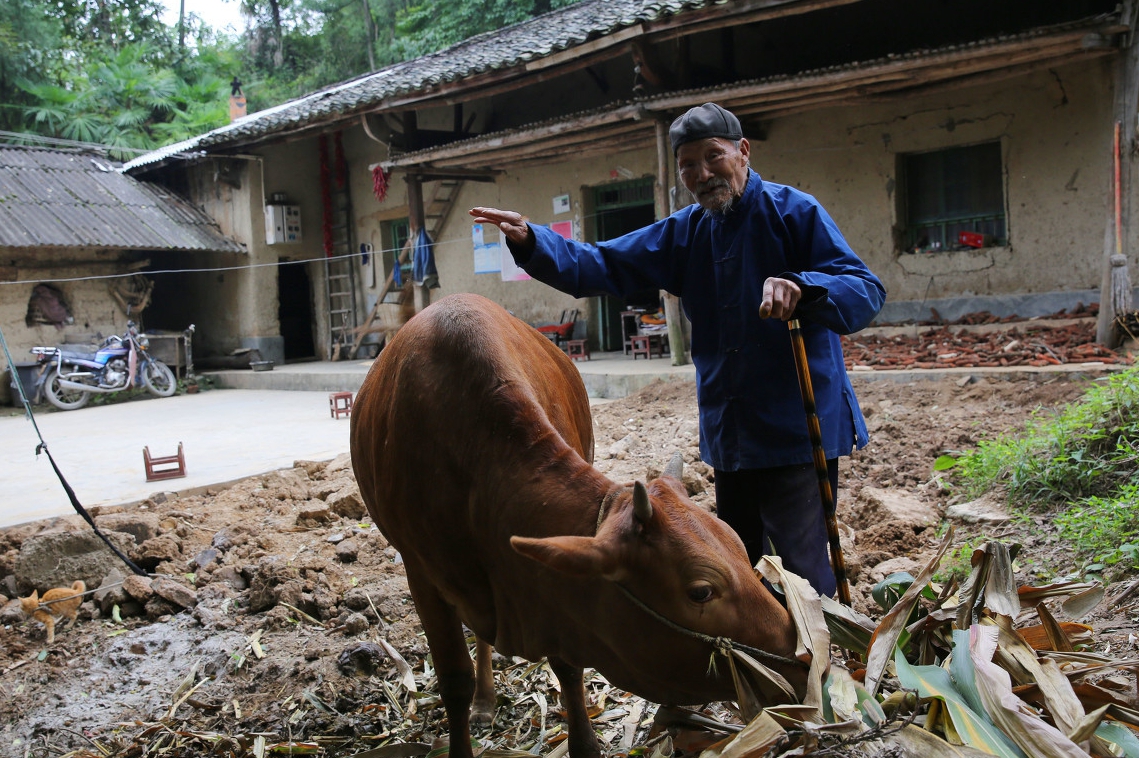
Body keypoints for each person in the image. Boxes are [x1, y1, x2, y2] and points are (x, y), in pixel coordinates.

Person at [469, 103, 885, 597]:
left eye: (714, 157)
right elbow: (600, 263)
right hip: (730, 432)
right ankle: (752, 666)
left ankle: (819, 663)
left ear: (743, 152)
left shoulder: (794, 212)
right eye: (688, 165)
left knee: (805, 569)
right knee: (740, 566)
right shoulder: (683, 233)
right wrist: (533, 241)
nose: (702, 174)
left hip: (796, 426)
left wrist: (805, 287)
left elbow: (864, 289)